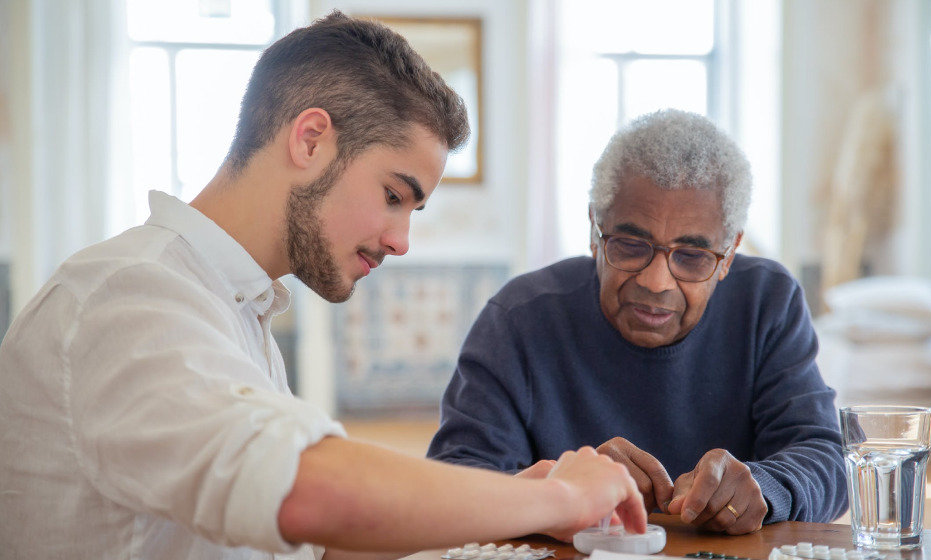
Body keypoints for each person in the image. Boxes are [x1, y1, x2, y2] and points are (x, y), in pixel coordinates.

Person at [0, 12, 647, 559]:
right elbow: (307, 491)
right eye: (394, 195)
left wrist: (507, 505)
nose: (401, 240)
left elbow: (309, 537)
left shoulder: (231, 308)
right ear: (310, 139)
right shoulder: (125, 296)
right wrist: (556, 497)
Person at [427, 109, 848, 535]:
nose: (656, 281)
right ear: (594, 230)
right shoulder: (519, 319)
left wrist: (766, 484)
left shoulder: (767, 303)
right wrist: (562, 490)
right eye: (630, 245)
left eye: (693, 256)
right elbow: (453, 485)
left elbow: (826, 458)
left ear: (730, 253)